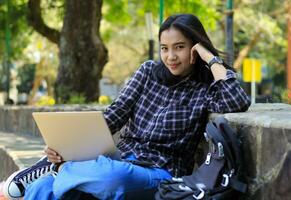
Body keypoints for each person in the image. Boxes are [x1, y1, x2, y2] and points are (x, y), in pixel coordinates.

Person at [3, 13, 251, 200]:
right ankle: (59, 169)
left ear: (195, 48)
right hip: (122, 157)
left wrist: (211, 58)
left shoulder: (205, 88)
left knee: (112, 178)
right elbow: (113, 116)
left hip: (160, 171)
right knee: (40, 188)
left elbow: (237, 100)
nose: (170, 57)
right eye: (165, 48)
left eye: (180, 47)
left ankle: (62, 170)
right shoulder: (147, 72)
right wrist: (69, 146)